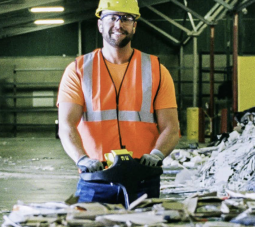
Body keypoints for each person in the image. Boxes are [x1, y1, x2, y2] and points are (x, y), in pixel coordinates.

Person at [57, 0, 180, 204]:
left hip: (144, 178)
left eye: (126, 18)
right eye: (112, 17)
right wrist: (82, 159)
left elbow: (171, 127)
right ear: (100, 24)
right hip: (96, 178)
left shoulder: (156, 70)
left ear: (134, 25)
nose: (118, 24)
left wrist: (156, 155)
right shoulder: (78, 70)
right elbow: (66, 125)